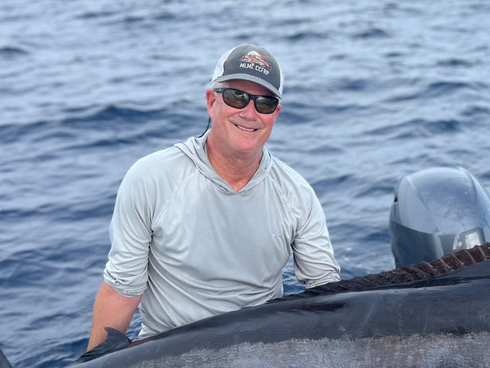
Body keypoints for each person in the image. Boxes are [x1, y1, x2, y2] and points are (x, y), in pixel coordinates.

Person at [87, 43, 340, 350]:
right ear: (211, 101)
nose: (250, 113)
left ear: (276, 113)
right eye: (237, 97)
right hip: (163, 361)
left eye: (265, 103)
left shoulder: (298, 194)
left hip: (261, 362)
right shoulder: (150, 178)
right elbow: (121, 291)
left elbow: (328, 295)